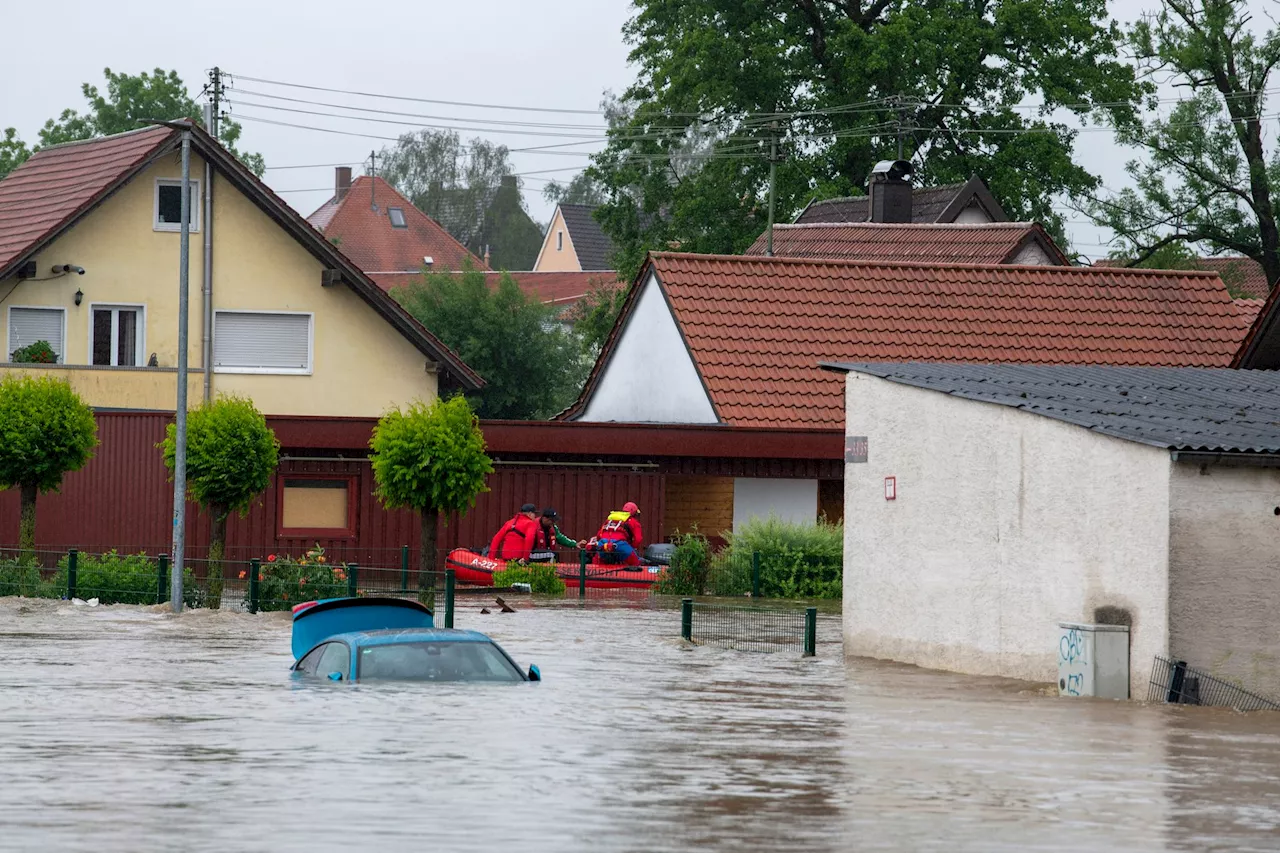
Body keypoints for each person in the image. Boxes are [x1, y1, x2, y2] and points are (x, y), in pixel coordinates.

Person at [592, 501, 644, 566]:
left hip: (603, 543)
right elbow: (638, 539)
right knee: (635, 562)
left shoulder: (609, 520)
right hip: (620, 544)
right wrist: (632, 546)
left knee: (597, 562)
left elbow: (599, 534)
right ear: (634, 513)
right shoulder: (633, 522)